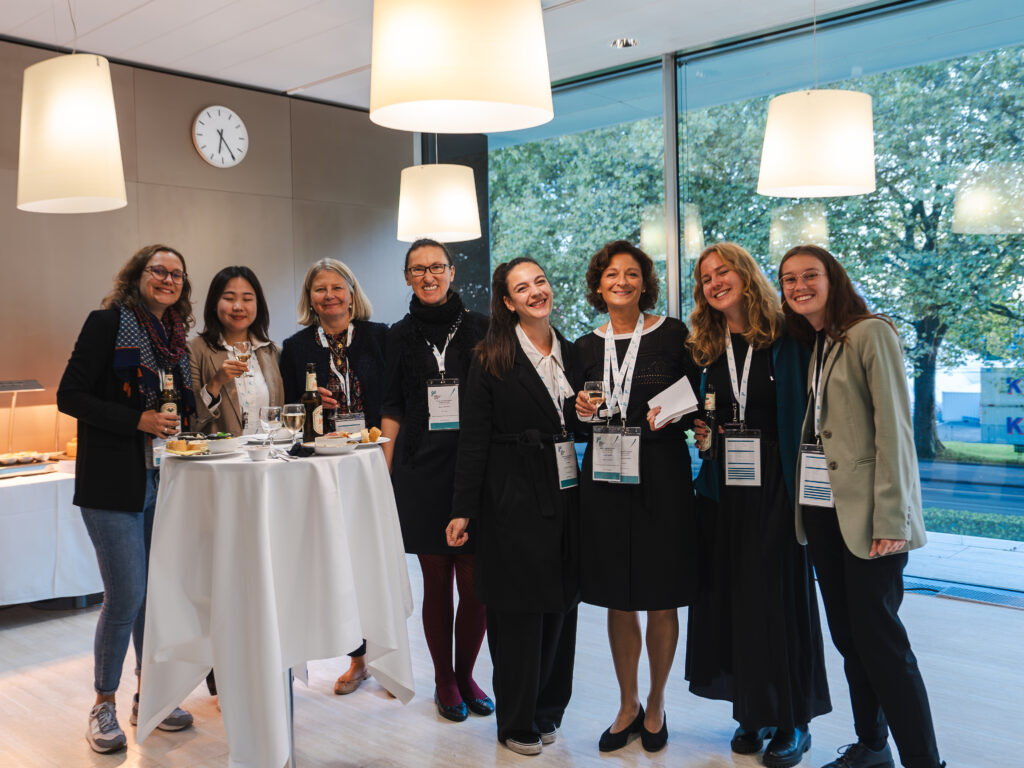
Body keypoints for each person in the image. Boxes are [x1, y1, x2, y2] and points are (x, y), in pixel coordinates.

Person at [778, 245, 945, 768]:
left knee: (883, 646)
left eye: (810, 275)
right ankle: (873, 746)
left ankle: (924, 761)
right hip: (825, 513)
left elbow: (895, 432)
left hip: (871, 518)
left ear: (834, 279)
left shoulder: (871, 332)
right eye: (789, 279)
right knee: (850, 640)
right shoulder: (822, 341)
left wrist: (892, 517)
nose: (799, 286)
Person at [666, 243, 830, 768]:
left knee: (775, 599)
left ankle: (793, 720)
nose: (715, 282)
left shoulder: (787, 334)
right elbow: (705, 410)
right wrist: (703, 432)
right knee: (734, 598)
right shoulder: (707, 345)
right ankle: (751, 711)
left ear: (745, 274)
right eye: (705, 277)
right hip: (724, 490)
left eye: (723, 272)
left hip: (777, 484)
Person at [57, 244, 197, 753]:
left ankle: (149, 696)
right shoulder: (107, 323)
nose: (167, 279)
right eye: (158, 270)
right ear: (137, 275)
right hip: (112, 483)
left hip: (163, 480)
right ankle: (103, 705)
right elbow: (69, 395)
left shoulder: (175, 338)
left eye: (176, 274)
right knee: (125, 597)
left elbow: (179, 405)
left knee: (152, 596)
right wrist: (137, 419)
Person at [447, 257, 580, 756]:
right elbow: (473, 440)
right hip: (511, 494)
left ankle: (548, 710)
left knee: (562, 603)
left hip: (567, 490)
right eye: (522, 288)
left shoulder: (574, 352)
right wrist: (463, 508)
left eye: (540, 282)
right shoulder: (490, 357)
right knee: (519, 610)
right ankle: (516, 719)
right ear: (507, 302)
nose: (535, 292)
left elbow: (582, 421)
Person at [573, 240, 698, 754]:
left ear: (644, 283)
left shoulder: (672, 334)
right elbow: (573, 420)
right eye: (611, 274)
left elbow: (698, 398)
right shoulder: (583, 347)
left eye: (630, 273)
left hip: (662, 478)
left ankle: (656, 703)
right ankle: (627, 704)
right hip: (604, 482)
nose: (621, 281)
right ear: (598, 286)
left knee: (660, 595)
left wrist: (679, 411)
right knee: (618, 597)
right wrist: (579, 411)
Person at [381, 239, 492, 722]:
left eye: (436, 267)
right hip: (420, 469)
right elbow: (391, 406)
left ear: (451, 272)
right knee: (436, 581)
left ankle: (466, 675)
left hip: (474, 468)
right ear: (407, 277)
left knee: (475, 583)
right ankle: (444, 679)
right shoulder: (397, 335)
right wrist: (384, 474)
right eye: (418, 269)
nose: (428, 276)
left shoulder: (482, 328)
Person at [280, 257, 387, 695]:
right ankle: (358, 658)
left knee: (378, 559)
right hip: (324, 468)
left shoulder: (380, 337)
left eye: (337, 287)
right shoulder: (295, 347)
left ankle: (389, 657)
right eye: (319, 289)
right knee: (342, 561)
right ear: (310, 298)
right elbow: (288, 412)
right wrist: (310, 404)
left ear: (351, 293)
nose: (329, 296)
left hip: (374, 460)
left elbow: (395, 400)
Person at [189, 266, 283, 436]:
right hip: (220, 452)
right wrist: (216, 382)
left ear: (258, 305)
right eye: (229, 298)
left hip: (268, 450)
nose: (238, 306)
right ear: (214, 304)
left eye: (247, 299)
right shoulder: (195, 350)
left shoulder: (272, 352)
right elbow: (191, 421)